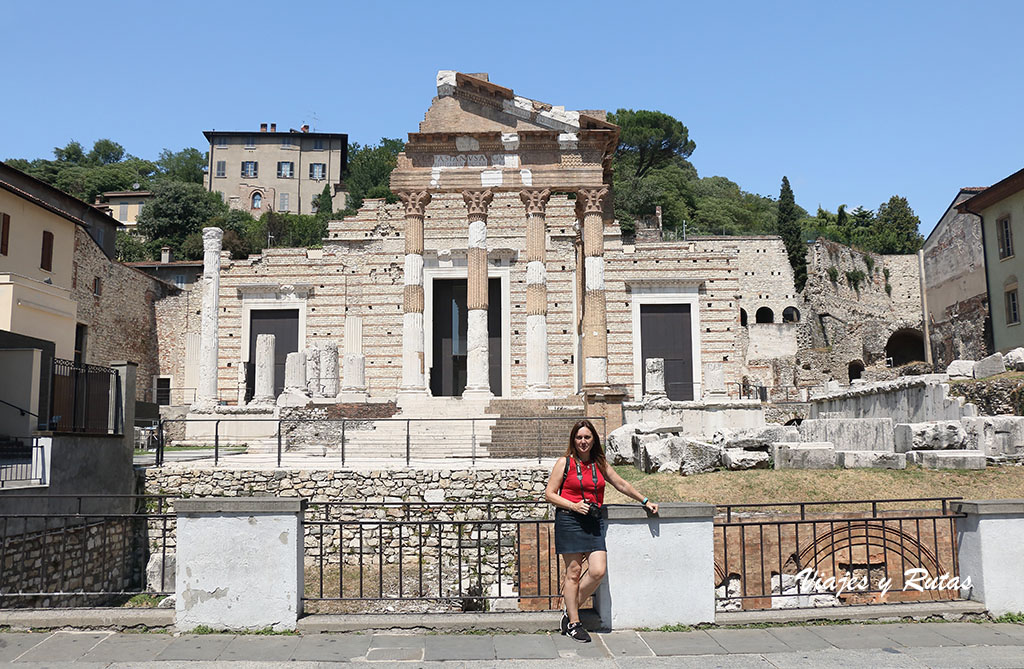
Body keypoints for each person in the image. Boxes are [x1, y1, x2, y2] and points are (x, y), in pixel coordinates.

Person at [544, 419, 658, 642]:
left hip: (593, 522)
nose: (583, 442)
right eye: (579, 438)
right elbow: (549, 494)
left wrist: (645, 500)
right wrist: (573, 505)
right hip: (570, 520)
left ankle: (570, 611)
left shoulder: (599, 462)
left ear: (593, 439)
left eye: (587, 437)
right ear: (573, 440)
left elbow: (621, 483)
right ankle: (575, 624)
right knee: (574, 573)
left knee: (597, 570)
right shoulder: (564, 463)